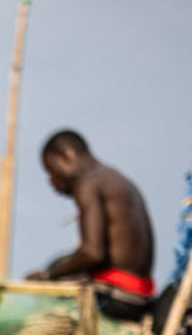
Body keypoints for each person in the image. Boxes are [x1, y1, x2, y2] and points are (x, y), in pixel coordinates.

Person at [27, 130, 157, 320]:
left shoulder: (87, 183)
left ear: (66, 156)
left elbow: (92, 253)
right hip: (141, 294)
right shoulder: (114, 178)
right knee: (60, 264)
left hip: (119, 297)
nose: (51, 181)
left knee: (48, 282)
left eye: (50, 170)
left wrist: (47, 276)